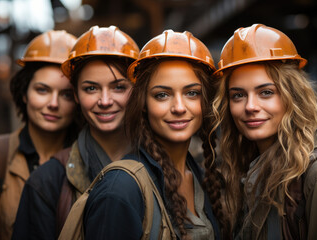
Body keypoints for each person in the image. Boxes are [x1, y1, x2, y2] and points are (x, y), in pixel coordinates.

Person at [83, 30, 223, 240]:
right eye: (162, 95)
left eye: (191, 93)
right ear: (143, 104)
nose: (178, 107)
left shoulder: (201, 178)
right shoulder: (120, 189)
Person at [212, 23, 317, 239]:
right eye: (238, 95)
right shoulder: (245, 174)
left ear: (292, 97)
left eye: (265, 92)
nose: (250, 106)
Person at [11, 25, 140, 239]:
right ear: (77, 95)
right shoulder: (46, 182)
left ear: (137, 91)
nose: (105, 101)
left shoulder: (162, 164)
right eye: (91, 88)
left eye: (119, 87)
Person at [0, 30, 78, 240]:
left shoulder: (89, 158)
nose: (53, 104)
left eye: (66, 94)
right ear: (24, 93)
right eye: (42, 90)